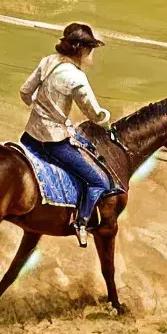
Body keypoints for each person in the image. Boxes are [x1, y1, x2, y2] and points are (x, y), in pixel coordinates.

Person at [17, 22, 117, 222]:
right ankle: (81, 221)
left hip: (30, 136)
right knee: (99, 183)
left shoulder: (47, 62)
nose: (91, 55)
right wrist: (107, 123)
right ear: (82, 50)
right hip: (53, 143)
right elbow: (94, 114)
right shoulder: (77, 78)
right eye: (90, 50)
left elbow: (25, 92)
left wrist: (39, 108)